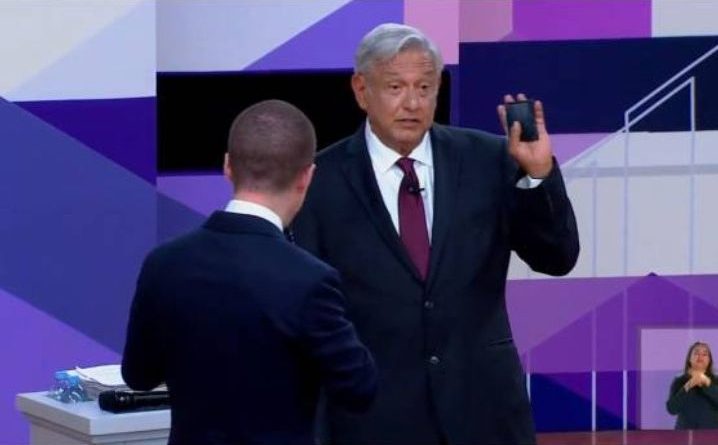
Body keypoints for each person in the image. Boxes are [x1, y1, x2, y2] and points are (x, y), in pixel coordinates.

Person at [292, 23, 579, 445]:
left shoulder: (489, 160)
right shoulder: (320, 182)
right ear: (361, 89)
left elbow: (557, 258)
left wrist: (538, 174)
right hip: (372, 420)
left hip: (484, 413)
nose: (412, 103)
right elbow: (307, 313)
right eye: (395, 87)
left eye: (424, 87)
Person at [121, 99, 377, 445]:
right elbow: (359, 387)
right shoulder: (309, 280)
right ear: (307, 176)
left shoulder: (163, 263)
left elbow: (138, 375)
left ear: (228, 165)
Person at [667, 341, 718, 429]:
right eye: (696, 353)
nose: (700, 356)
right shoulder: (679, 380)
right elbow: (672, 409)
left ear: (709, 360)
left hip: (711, 433)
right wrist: (688, 385)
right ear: (689, 359)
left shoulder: (716, 380)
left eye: (705, 354)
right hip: (684, 433)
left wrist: (708, 384)